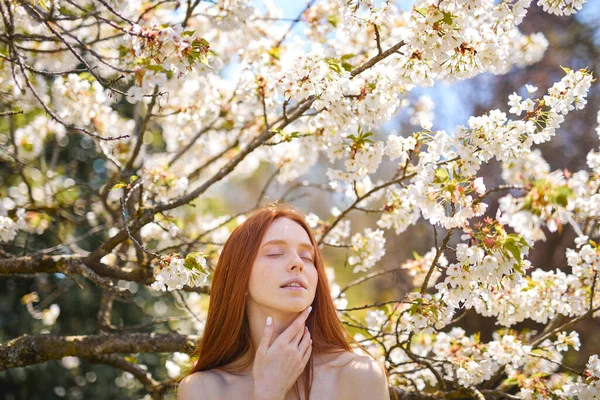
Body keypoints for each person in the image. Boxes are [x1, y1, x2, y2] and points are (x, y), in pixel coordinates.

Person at [177, 203, 391, 400]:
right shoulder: (202, 390)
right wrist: (269, 393)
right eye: (274, 253)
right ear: (238, 277)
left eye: (307, 257)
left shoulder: (361, 376)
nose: (297, 263)